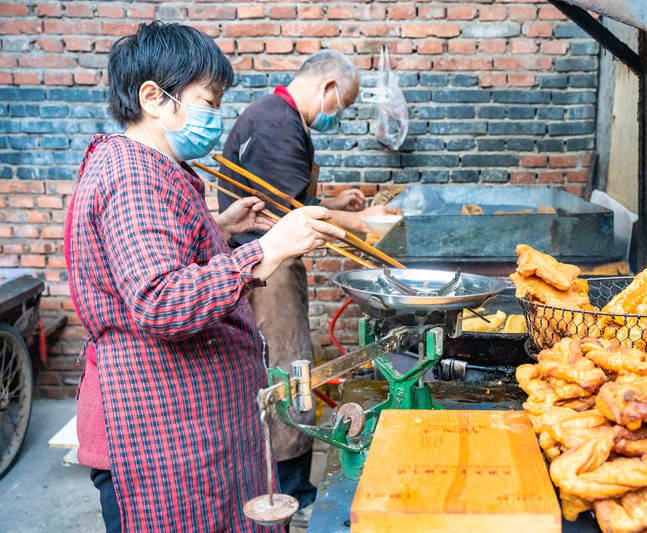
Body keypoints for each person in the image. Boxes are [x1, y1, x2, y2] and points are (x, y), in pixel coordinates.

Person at [67, 22, 344, 532]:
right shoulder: (134, 174)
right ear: (154, 97)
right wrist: (270, 247)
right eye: (208, 102)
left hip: (186, 425)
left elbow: (143, 254)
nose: (216, 118)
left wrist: (216, 226)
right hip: (154, 432)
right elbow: (159, 300)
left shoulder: (152, 169)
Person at [217, 50, 399, 512]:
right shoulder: (277, 121)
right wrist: (362, 224)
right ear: (328, 89)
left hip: (266, 263)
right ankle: (289, 487)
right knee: (288, 368)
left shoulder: (276, 117)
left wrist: (335, 200)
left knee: (291, 364)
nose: (341, 114)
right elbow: (284, 215)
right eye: (345, 104)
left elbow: (287, 195)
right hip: (267, 271)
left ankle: (286, 477)